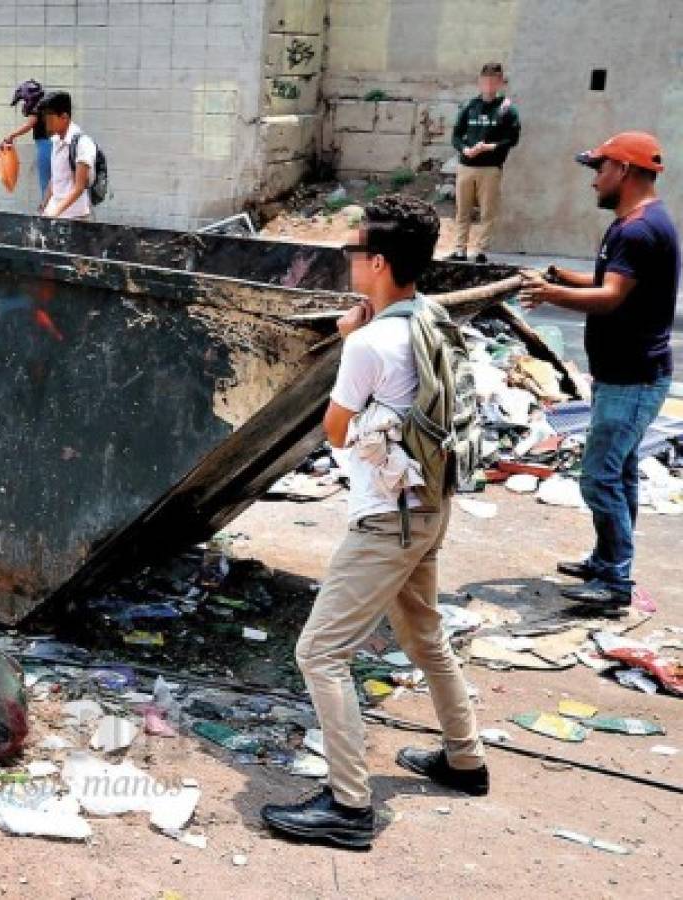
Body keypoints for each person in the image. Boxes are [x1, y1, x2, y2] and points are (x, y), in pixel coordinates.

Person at [261, 195, 487, 850]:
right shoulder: (431, 316)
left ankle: (347, 805)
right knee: (421, 633)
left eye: (355, 252)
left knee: (319, 651)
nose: (351, 262)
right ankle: (464, 758)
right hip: (430, 504)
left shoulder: (368, 343)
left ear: (379, 261)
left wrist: (345, 341)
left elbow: (334, 432)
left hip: (386, 519)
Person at [520, 132, 678, 609]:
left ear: (624, 171)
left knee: (598, 477)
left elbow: (610, 298)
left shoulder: (636, 230)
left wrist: (548, 295)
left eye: (599, 170)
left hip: (634, 381)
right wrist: (562, 278)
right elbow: (611, 282)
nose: (594, 182)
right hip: (625, 377)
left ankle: (614, 582)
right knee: (620, 472)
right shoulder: (635, 223)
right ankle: (607, 562)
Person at [449, 62, 521, 263]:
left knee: (487, 212)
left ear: (500, 83)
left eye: (493, 81)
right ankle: (459, 250)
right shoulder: (470, 106)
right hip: (466, 166)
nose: (489, 85)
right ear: (480, 82)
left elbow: (512, 140)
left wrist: (489, 147)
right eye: (485, 81)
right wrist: (465, 149)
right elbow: (455, 135)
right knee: (462, 210)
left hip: (490, 168)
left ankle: (481, 251)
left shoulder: (507, 110)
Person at [38, 91, 97, 221]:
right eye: (44, 117)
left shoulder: (83, 144)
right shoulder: (56, 141)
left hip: (74, 216)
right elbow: (54, 179)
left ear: (64, 117)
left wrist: (55, 213)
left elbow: (79, 188)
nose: (46, 122)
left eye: (49, 117)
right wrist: (44, 206)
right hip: (54, 212)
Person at [1, 79, 52, 198]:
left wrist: (11, 136)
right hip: (48, 144)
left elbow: (29, 125)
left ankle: (47, 208)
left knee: (46, 180)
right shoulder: (46, 105)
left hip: (45, 145)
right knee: (51, 179)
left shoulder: (38, 107)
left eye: (24, 99)